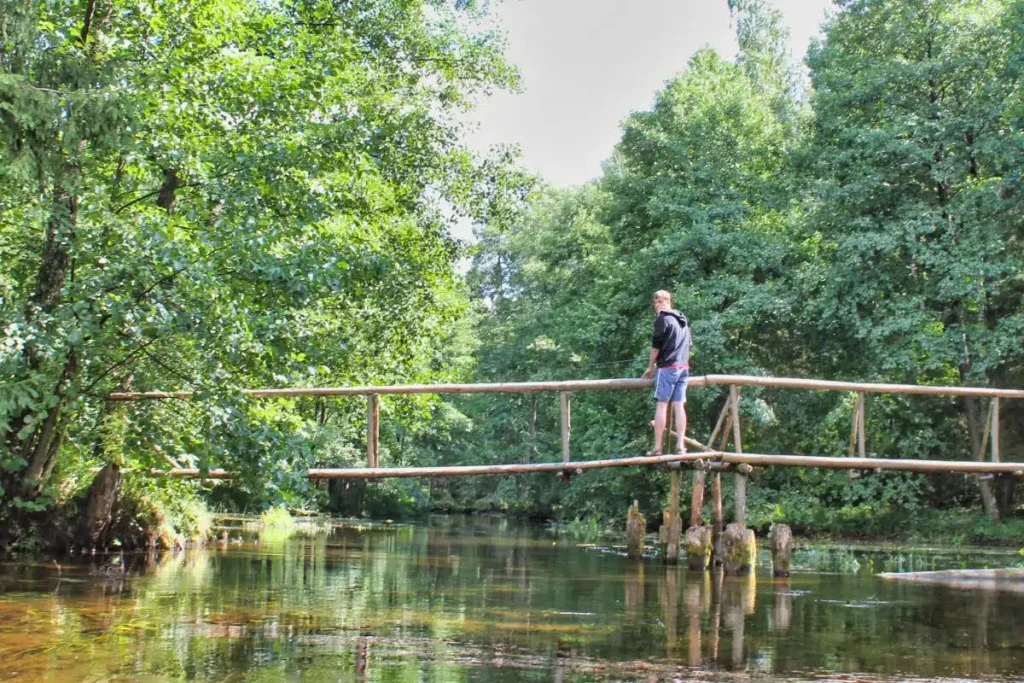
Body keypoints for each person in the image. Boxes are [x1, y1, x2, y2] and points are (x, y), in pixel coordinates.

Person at [641, 290, 691, 456]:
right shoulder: (682, 319)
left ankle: (657, 448)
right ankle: (680, 446)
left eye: (656, 302)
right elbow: (689, 343)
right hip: (683, 368)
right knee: (679, 406)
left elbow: (655, 349)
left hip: (667, 368)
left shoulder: (662, 320)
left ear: (658, 302)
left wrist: (650, 367)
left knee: (661, 406)